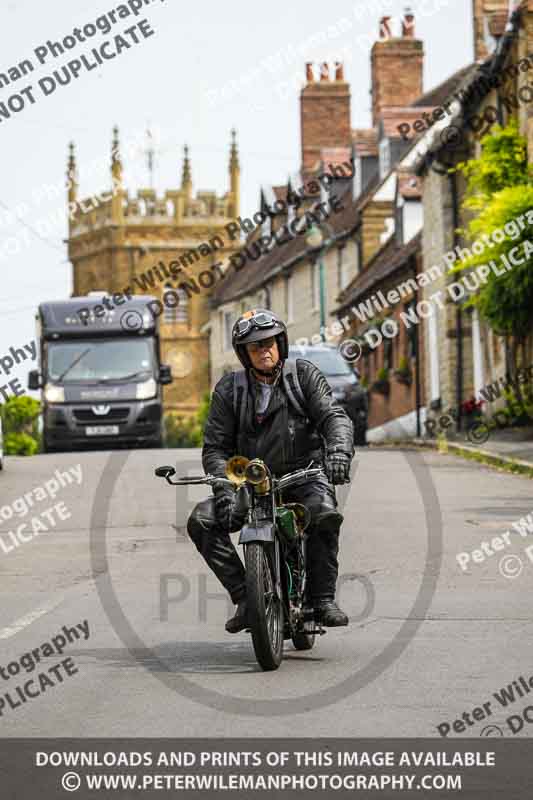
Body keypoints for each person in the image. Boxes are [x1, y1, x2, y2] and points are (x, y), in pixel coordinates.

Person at [187, 309, 355, 633]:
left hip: (303, 475)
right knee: (202, 521)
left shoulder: (303, 376)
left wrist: (338, 453)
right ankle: (245, 597)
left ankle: (322, 599)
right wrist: (225, 488)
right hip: (250, 483)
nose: (263, 350)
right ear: (244, 354)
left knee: (323, 513)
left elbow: (334, 417)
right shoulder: (230, 390)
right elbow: (215, 448)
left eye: (268, 343)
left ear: (280, 344)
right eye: (255, 347)